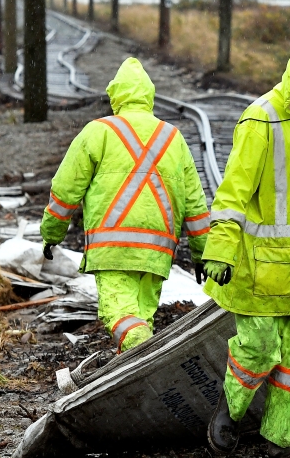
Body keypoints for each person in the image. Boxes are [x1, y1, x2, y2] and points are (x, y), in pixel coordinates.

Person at [201, 37, 290, 458]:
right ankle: (230, 412)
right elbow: (232, 194)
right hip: (261, 269)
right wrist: (221, 249)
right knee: (259, 349)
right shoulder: (260, 120)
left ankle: (281, 441)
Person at [40, 58, 210, 352]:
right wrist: (202, 254)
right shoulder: (173, 137)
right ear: (150, 95)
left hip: (113, 247)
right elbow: (196, 203)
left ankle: (140, 356)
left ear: (115, 95)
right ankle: (138, 381)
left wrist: (51, 234)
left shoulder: (99, 131)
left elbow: (65, 189)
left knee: (119, 316)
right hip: (157, 251)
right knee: (141, 317)